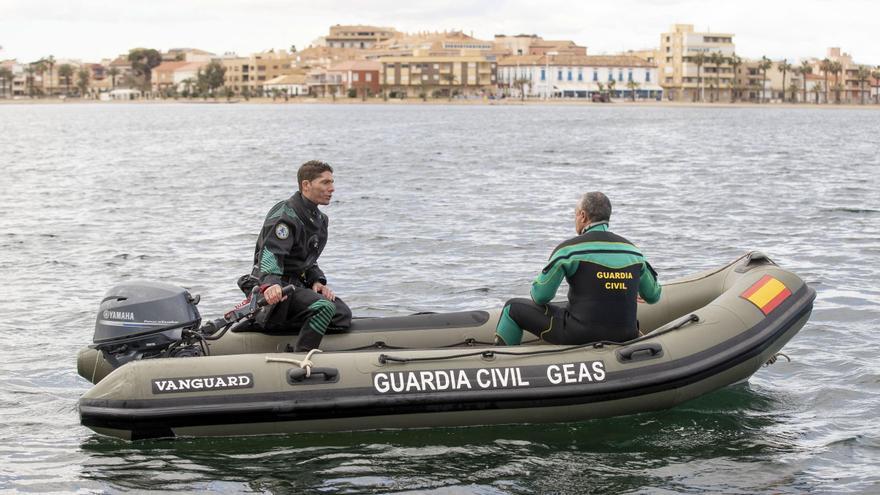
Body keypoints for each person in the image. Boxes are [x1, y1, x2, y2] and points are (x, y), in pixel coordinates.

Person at [495, 192, 661, 346]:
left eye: (575, 215)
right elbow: (653, 296)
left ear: (583, 216)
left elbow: (541, 296)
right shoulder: (634, 252)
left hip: (579, 334)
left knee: (512, 308)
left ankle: (499, 366)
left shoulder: (569, 250)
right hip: (627, 334)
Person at [249, 160, 352, 351]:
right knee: (325, 308)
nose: (332, 188)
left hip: (297, 286)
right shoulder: (285, 214)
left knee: (342, 315)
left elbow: (307, 259)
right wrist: (271, 284)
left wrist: (316, 281)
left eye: (332, 182)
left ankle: (287, 331)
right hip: (277, 288)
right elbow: (271, 253)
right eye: (325, 183)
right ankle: (301, 355)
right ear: (306, 185)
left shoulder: (321, 220)